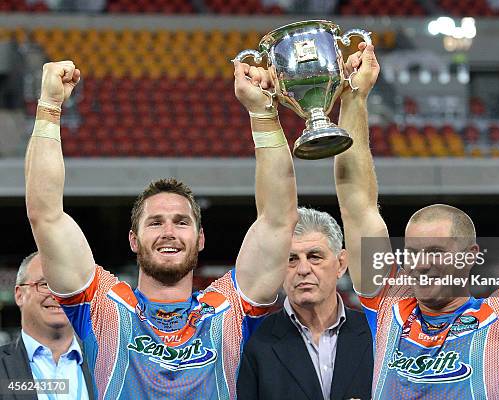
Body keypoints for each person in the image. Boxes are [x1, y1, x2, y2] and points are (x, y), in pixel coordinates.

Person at [335, 43, 499, 399]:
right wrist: (354, 96)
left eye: (436, 253)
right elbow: (356, 205)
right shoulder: (389, 305)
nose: (421, 265)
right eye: (412, 254)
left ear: (470, 256)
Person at [24, 60, 298, 399]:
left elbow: (278, 219)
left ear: (200, 239)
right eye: (155, 222)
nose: (169, 231)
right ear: (134, 240)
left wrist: (262, 113)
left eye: (181, 222)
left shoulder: (228, 309)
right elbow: (45, 215)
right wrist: (49, 107)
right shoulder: (105, 306)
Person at [236, 207, 373, 400]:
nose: (303, 269)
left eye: (314, 257)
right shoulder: (255, 340)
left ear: (341, 264)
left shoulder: (376, 333)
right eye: (291, 259)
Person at [0, 252, 94, 400]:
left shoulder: (110, 366)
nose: (59, 295)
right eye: (45, 284)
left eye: (67, 285)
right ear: (19, 295)